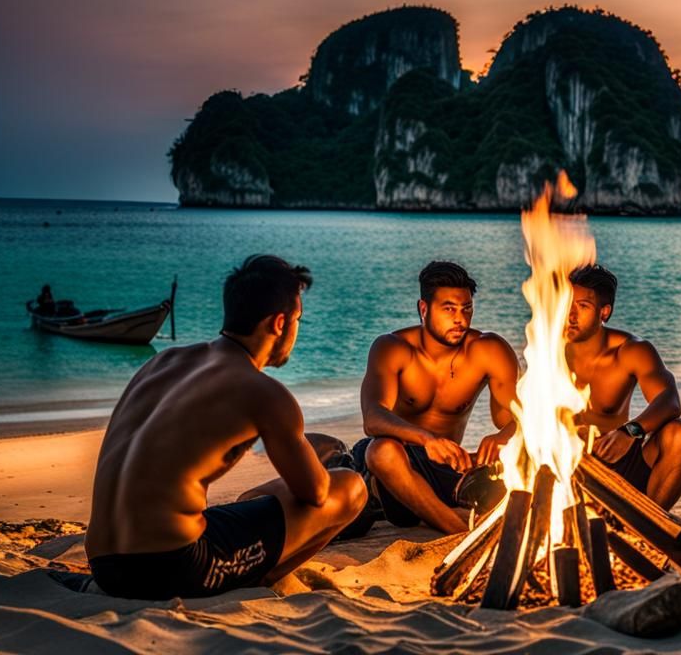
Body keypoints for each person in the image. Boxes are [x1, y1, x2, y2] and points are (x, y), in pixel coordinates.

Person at [84, 255, 366, 599]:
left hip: (104, 564)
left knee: (258, 498)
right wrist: (317, 458)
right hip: (172, 568)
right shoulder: (263, 392)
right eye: (297, 320)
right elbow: (316, 493)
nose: (296, 331)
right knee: (351, 488)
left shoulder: (163, 362)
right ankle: (264, 578)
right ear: (279, 323)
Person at [354, 261, 520, 534]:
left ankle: (449, 505)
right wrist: (426, 439)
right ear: (423, 309)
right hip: (395, 469)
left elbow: (521, 418)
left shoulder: (488, 351)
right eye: (449, 309)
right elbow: (373, 418)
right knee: (381, 451)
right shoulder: (393, 348)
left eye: (467, 309)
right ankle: (458, 530)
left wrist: (503, 437)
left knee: (514, 472)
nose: (460, 319)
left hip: (446, 471)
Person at [565, 265, 681, 508]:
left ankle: (651, 523)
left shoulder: (630, 350)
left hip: (619, 463)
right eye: (565, 304)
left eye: (582, 306)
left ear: (604, 312)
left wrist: (631, 431)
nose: (570, 315)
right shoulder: (545, 347)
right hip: (565, 465)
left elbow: (669, 400)